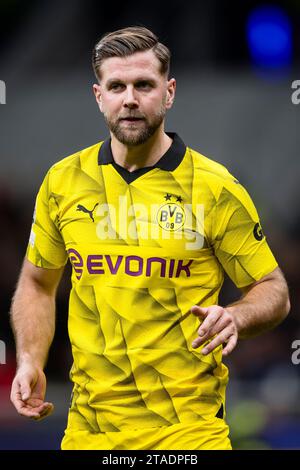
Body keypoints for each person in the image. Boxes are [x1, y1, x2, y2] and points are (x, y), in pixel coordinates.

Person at [10, 26, 290, 450]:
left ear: (170, 91)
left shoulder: (215, 188)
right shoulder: (63, 181)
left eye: (144, 85)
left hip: (189, 436)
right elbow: (36, 283)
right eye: (116, 86)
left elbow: (274, 291)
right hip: (89, 435)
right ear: (98, 95)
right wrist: (31, 359)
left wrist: (236, 316)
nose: (130, 99)